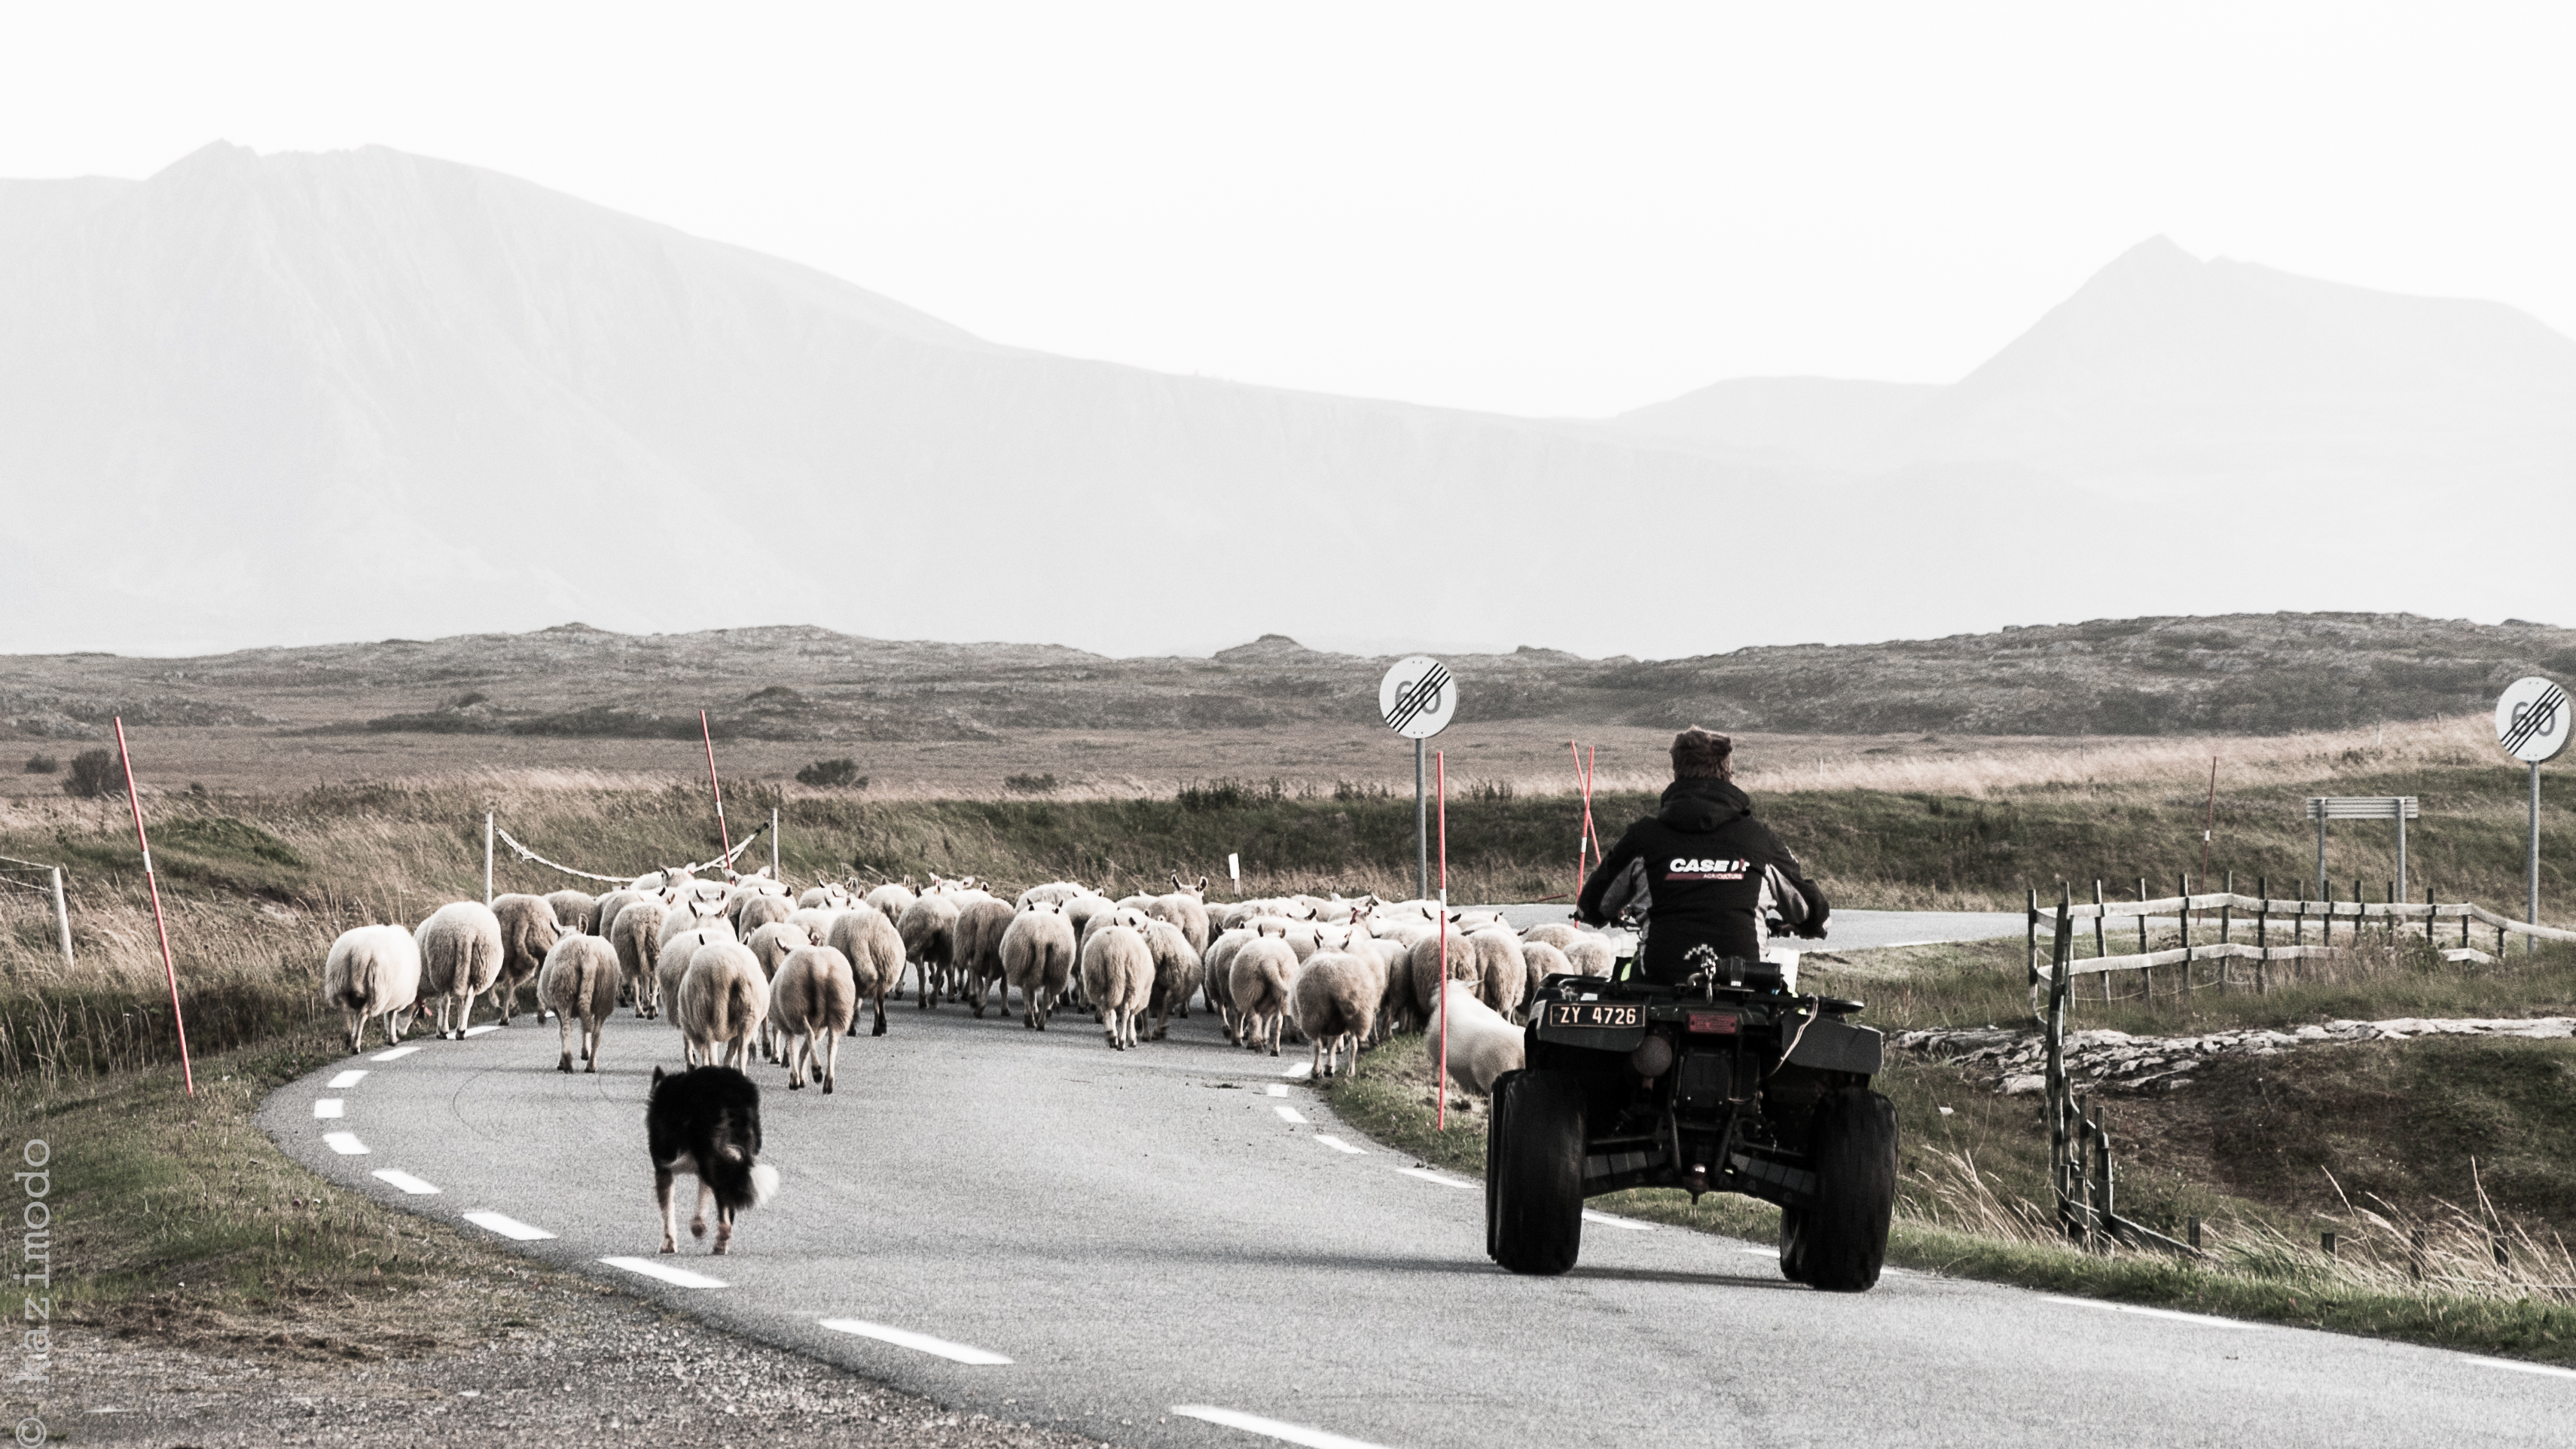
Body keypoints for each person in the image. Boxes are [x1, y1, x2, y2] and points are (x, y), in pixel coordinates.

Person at [1573, 727, 1829, 983]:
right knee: (1782, 994)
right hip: (1745, 984)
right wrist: (1808, 926)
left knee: (1623, 978)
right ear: (1728, 770)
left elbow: (1593, 906)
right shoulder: (1759, 840)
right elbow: (1811, 911)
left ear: (1676, 771)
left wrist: (1612, 912)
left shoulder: (1643, 838)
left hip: (1659, 982)